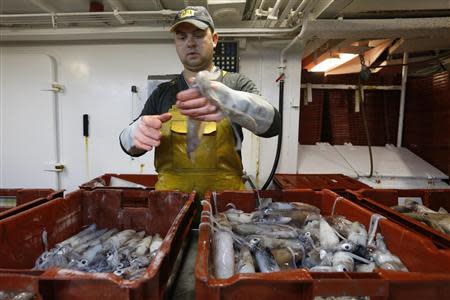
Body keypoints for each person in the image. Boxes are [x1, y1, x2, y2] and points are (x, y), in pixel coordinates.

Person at [119, 6, 280, 196]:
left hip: (225, 207)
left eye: (198, 35)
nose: (190, 43)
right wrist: (134, 134)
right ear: (176, 43)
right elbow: (128, 146)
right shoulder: (163, 92)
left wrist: (232, 101)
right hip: (171, 206)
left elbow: (273, 125)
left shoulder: (235, 83)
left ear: (214, 40)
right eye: (182, 37)